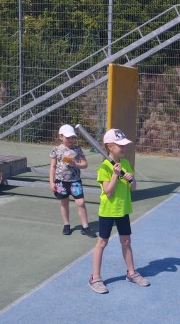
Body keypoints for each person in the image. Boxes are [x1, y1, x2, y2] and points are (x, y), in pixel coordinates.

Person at [89, 128, 149, 294]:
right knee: (102, 242)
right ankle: (95, 277)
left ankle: (131, 273)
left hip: (123, 209)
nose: (124, 148)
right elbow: (108, 192)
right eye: (120, 145)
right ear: (110, 147)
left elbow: (133, 188)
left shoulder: (126, 164)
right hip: (108, 210)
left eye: (124, 145)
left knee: (126, 241)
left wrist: (131, 180)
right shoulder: (104, 168)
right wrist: (115, 175)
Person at [49, 124, 97, 237]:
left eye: (72, 137)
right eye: (68, 137)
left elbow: (85, 164)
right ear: (61, 136)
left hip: (75, 181)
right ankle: (66, 224)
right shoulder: (56, 150)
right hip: (61, 181)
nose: (71, 140)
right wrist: (51, 182)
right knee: (64, 202)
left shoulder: (77, 149)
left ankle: (85, 227)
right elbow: (53, 167)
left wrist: (75, 164)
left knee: (81, 202)